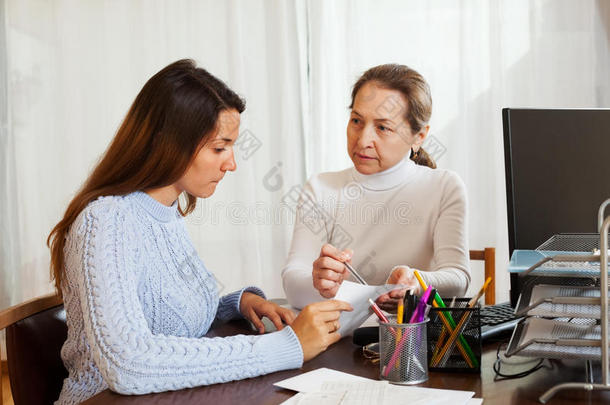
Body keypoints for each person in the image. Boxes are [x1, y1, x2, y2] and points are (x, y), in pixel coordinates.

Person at [47, 59, 352, 405]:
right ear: (170, 142)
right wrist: (284, 346)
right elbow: (128, 363)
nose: (231, 163)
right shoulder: (106, 222)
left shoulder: (167, 213)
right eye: (219, 148)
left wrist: (237, 304)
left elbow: (167, 317)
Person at [282, 64, 470, 311]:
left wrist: (416, 280)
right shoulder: (321, 188)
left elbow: (458, 279)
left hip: (408, 340)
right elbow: (293, 283)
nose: (362, 140)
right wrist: (318, 281)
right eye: (357, 121)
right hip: (336, 338)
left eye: (383, 127)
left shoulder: (444, 187)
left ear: (419, 136)